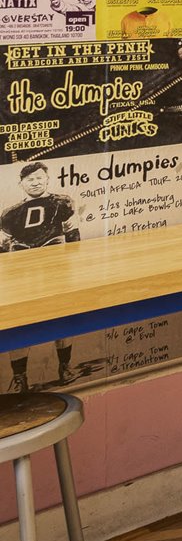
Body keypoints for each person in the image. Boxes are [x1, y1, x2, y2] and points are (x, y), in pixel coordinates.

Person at [0, 161, 90, 390]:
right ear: (21, 183)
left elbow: (73, 233)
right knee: (20, 322)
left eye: (39, 177)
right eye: (30, 179)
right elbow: (2, 243)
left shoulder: (62, 202)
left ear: (47, 179)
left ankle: (65, 366)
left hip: (56, 267)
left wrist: (74, 262)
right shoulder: (11, 213)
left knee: (63, 316)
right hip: (24, 272)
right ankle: (20, 377)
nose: (36, 182)